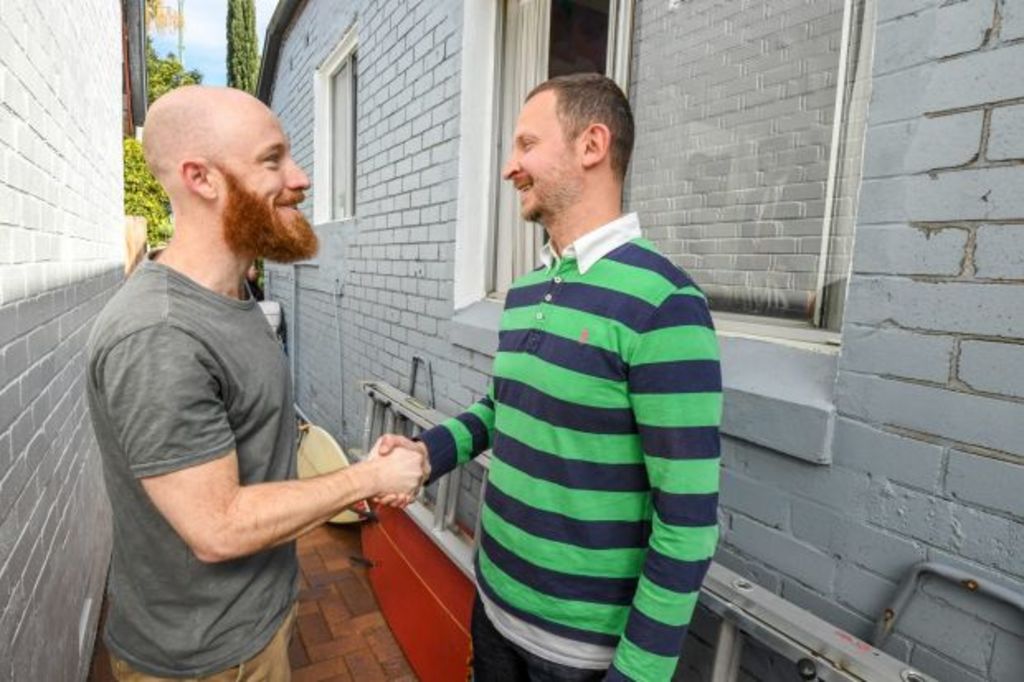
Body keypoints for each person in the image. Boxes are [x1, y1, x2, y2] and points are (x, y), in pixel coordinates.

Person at [377, 74, 722, 681]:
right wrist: (426, 453)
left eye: (526, 145)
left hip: (579, 658)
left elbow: (688, 518)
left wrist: (638, 674)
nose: (511, 167)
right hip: (493, 610)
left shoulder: (665, 303)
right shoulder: (528, 288)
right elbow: (498, 410)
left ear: (591, 145)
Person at [85, 86, 427, 681]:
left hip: (255, 625)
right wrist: (369, 477)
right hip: (205, 663)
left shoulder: (234, 296)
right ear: (202, 178)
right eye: (273, 160)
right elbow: (218, 527)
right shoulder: (159, 335)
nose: (299, 178)